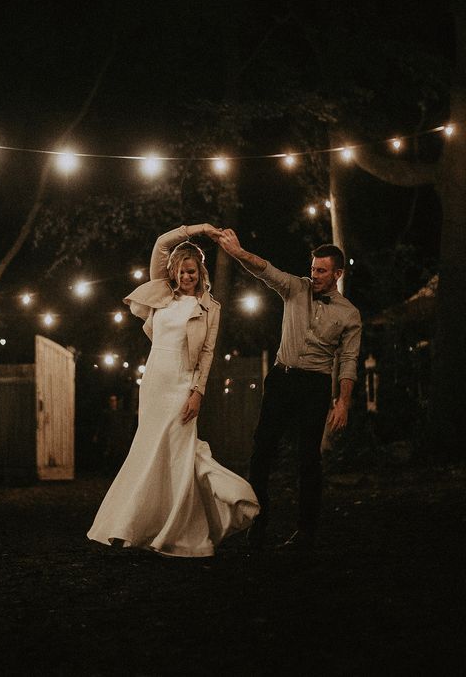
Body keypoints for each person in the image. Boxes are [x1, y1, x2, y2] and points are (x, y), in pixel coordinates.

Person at [87, 224, 259, 558]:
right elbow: (161, 241)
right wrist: (200, 229)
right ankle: (130, 525)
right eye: (180, 271)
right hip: (154, 382)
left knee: (181, 455)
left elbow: (207, 354)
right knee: (150, 451)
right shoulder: (161, 294)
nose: (185, 276)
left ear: (200, 271)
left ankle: (182, 530)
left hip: (183, 384)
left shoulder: (211, 308)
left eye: (191, 271)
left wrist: (198, 392)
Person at [212, 228, 362, 551]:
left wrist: (343, 401)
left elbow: (349, 360)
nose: (315, 275)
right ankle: (258, 522)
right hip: (282, 379)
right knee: (262, 449)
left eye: (322, 271)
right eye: (313, 269)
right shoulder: (295, 288)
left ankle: (306, 532)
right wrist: (238, 252)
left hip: (315, 385)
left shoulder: (349, 314)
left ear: (337, 273)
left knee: (309, 459)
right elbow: (265, 269)